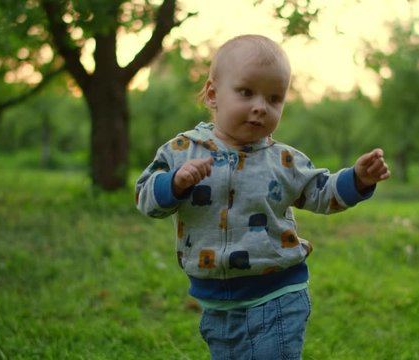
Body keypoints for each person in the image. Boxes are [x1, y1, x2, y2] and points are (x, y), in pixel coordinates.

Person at [135, 34, 390, 360]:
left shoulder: (283, 160)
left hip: (277, 295)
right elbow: (144, 195)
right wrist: (172, 184)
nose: (260, 107)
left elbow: (321, 193)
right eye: (246, 92)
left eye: (274, 99)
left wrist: (357, 179)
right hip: (217, 302)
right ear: (213, 95)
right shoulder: (182, 152)